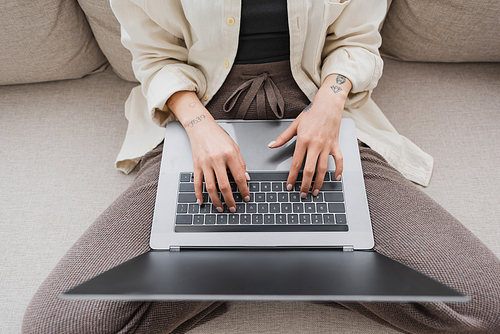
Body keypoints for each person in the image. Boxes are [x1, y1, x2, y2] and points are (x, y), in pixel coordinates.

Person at [22, 0, 500, 333]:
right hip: (199, 112)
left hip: (317, 107)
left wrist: (329, 106)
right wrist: (200, 128)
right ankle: (291, 262)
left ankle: (251, 263)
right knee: (55, 323)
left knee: (487, 305)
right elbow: (154, 57)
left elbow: (357, 42)